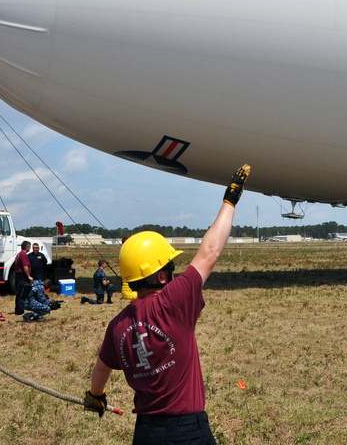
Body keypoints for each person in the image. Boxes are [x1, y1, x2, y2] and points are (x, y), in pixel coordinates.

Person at [84, 165, 250, 443]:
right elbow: (210, 251)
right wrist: (229, 202)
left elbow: (102, 368)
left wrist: (95, 395)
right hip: (189, 430)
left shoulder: (117, 325)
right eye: (170, 267)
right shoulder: (175, 301)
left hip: (147, 433)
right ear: (162, 275)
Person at [14, 241, 33, 315]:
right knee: (22, 293)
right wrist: (28, 276)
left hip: (19, 275)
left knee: (20, 293)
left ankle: (19, 309)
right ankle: (19, 310)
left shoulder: (19, 254)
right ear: (27, 247)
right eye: (29, 246)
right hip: (22, 276)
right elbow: (25, 266)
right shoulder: (23, 255)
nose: (30, 248)